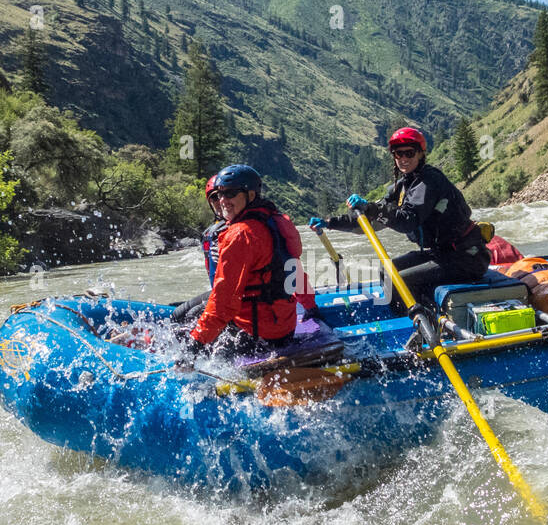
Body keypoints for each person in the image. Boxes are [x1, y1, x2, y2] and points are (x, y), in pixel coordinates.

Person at [310, 126, 488, 310]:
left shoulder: (429, 181)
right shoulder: (404, 185)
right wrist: (330, 223)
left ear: (420, 154)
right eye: (398, 154)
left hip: (466, 258)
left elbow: (407, 220)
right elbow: (371, 220)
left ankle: (422, 325)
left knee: (400, 280)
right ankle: (403, 317)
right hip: (442, 253)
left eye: (409, 153)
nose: (403, 159)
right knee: (385, 270)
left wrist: (371, 208)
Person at [179, 164, 316, 358]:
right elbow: (295, 271)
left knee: (185, 328)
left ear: (251, 195)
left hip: (259, 334)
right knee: (193, 315)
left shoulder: (240, 234)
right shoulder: (276, 220)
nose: (223, 201)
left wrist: (196, 344)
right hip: (284, 328)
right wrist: (310, 306)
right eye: (219, 195)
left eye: (231, 193)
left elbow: (224, 301)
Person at [169, 176, 225, 324]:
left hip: (234, 297)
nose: (221, 201)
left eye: (226, 195)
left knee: (191, 315)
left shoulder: (237, 230)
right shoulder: (212, 231)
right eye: (215, 197)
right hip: (218, 292)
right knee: (177, 312)